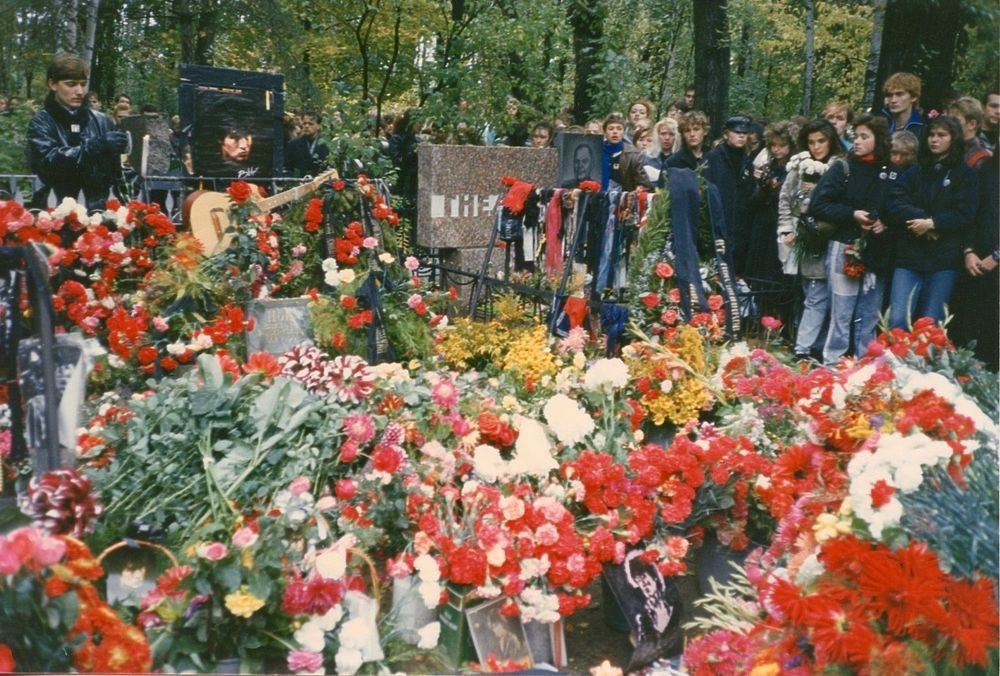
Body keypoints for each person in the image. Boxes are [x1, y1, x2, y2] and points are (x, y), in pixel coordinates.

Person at [809, 114, 894, 364]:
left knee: (869, 313)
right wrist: (851, 214)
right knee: (842, 312)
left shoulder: (890, 171)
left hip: (877, 250)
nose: (857, 141)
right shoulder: (842, 168)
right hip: (844, 245)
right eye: (854, 136)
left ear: (878, 140)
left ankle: (865, 365)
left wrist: (885, 223)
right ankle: (833, 363)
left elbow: (900, 206)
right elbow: (818, 204)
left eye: (864, 137)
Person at [886, 115, 977, 329]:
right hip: (910, 256)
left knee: (930, 323)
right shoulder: (915, 171)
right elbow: (895, 202)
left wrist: (934, 223)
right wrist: (923, 222)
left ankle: (923, 364)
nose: (934, 140)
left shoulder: (965, 175)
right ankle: (894, 363)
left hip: (944, 259)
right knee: (897, 319)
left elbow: (965, 213)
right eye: (931, 135)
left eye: (941, 135)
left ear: (953, 139)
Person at [27, 53, 128, 219]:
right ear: (52, 84)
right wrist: (94, 147)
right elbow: (49, 160)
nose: (80, 91)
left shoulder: (103, 121)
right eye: (71, 84)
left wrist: (131, 171)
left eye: (83, 84)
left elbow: (121, 170)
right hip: (54, 213)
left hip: (98, 213)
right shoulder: (41, 122)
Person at [777, 119, 846, 360]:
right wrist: (786, 228)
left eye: (822, 141)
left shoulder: (841, 166)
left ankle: (805, 347)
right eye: (811, 142)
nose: (817, 147)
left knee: (821, 293)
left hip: (831, 235)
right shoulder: (800, 164)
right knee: (810, 291)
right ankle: (807, 343)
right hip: (803, 234)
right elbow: (786, 198)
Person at [703, 114, 754, 276]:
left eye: (744, 133)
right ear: (726, 135)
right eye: (736, 132)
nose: (741, 135)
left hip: (740, 226)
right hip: (717, 224)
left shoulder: (747, 161)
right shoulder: (713, 158)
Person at [601, 112, 650, 192]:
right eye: (611, 129)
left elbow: (644, 184)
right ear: (604, 132)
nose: (615, 132)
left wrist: (639, 189)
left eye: (619, 129)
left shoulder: (633, 154)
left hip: (623, 199)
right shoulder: (596, 152)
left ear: (623, 132)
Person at [947, 96, 993, 169]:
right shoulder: (947, 149)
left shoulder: (983, 159)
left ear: (972, 124)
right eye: (948, 120)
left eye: (955, 121)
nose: (948, 125)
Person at [284, 111, 329, 177]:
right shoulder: (293, 144)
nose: (307, 126)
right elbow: (287, 167)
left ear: (319, 126)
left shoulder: (327, 144)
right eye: (304, 123)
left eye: (311, 124)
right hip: (298, 183)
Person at [881, 71, 925, 136]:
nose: (893, 100)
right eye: (889, 95)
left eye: (899, 94)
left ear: (913, 97)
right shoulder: (878, 124)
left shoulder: (922, 129)